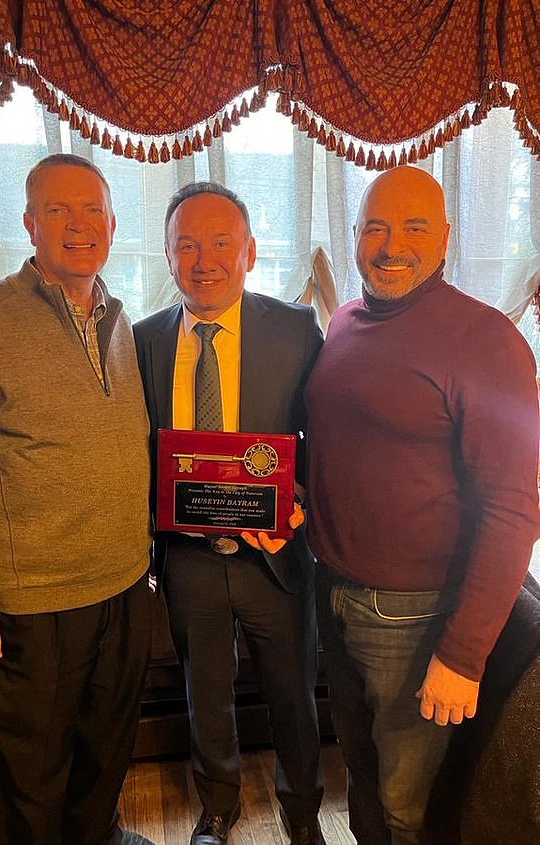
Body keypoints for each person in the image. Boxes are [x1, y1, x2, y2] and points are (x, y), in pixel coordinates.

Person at [0, 153, 153, 844]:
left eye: (92, 210)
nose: (79, 225)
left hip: (126, 591)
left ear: (112, 221)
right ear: (29, 223)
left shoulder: (120, 319)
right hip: (26, 608)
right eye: (57, 210)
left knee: (102, 761)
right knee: (27, 783)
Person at [304, 165, 540, 845]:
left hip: (416, 614)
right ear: (355, 235)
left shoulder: (486, 339)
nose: (390, 244)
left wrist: (463, 655)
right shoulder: (347, 318)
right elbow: (345, 442)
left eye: (412, 227)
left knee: (412, 804)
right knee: (363, 770)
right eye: (375, 226)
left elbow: (512, 508)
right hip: (336, 590)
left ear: (444, 236)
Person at [133, 182, 325, 845]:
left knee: (293, 697)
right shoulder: (144, 341)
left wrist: (302, 499)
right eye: (186, 244)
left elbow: (322, 435)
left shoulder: (297, 329)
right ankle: (217, 810)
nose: (203, 259)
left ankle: (302, 816)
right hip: (187, 561)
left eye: (220, 243)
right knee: (204, 696)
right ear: (167, 254)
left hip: (273, 560)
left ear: (249, 250)